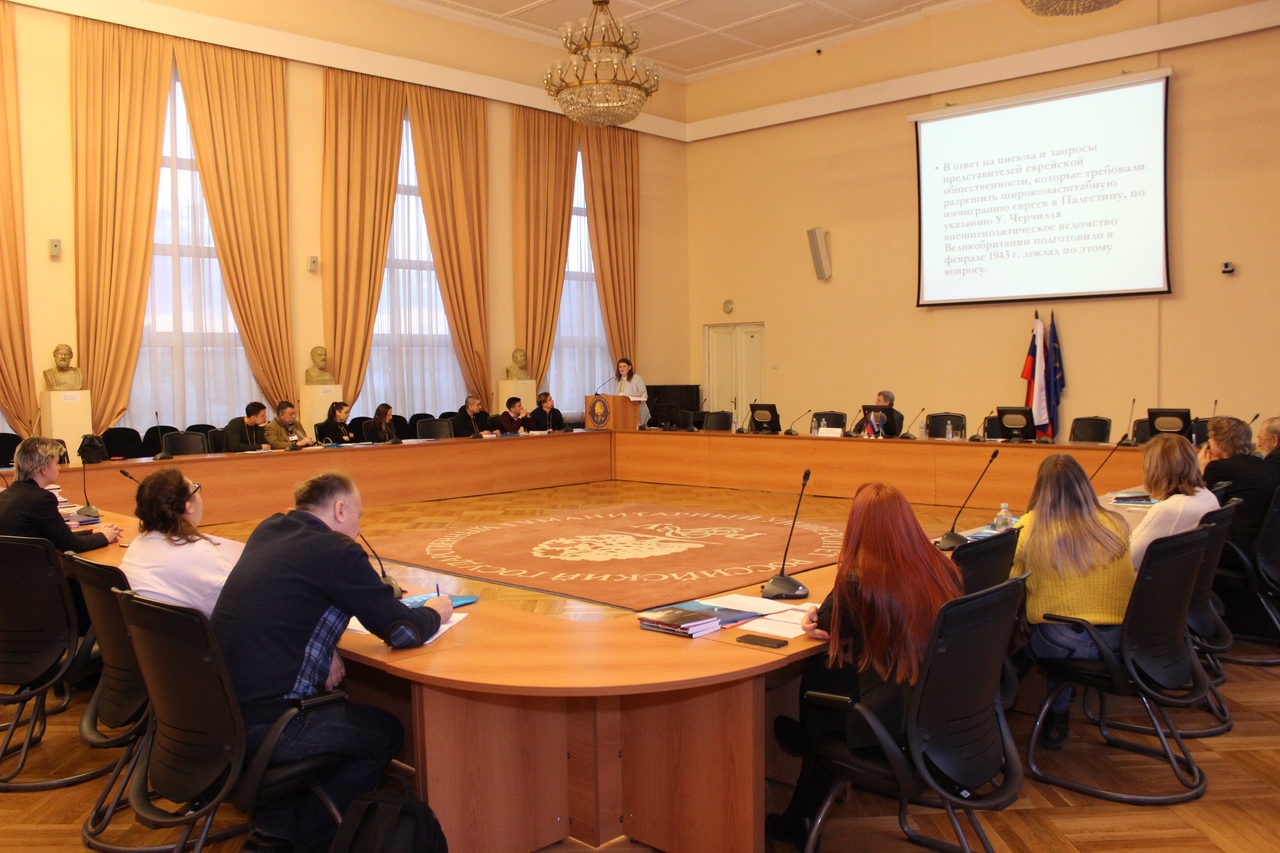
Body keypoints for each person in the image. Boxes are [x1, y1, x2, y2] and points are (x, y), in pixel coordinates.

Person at [210, 472, 451, 853]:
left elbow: (288, 605)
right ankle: (316, 838)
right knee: (385, 732)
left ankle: (275, 829)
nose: (359, 528)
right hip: (270, 725)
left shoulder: (268, 529)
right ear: (340, 510)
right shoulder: (337, 551)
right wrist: (437, 611)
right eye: (358, 515)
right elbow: (403, 632)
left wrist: (326, 646)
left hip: (219, 718)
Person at [766, 482, 963, 846]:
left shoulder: (858, 580)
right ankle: (806, 750)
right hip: (938, 713)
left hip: (894, 725)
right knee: (828, 675)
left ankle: (803, 796)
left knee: (820, 677)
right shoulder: (942, 567)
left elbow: (826, 624)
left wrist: (816, 611)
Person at [1013, 454, 1134, 750]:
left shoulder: (1029, 527)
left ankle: (1042, 708)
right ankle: (1054, 712)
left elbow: (1010, 585)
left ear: (1041, 489)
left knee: (1040, 636)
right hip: (1123, 642)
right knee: (1054, 633)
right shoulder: (1116, 524)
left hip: (1063, 644)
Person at [0, 437, 123, 633]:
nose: (59, 468)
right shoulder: (41, 499)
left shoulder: (7, 496)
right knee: (99, 593)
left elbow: (57, 535)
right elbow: (71, 545)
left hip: (14, 592)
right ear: (43, 469)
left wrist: (93, 532)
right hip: (43, 594)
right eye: (57, 462)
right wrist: (104, 537)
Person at [119, 468, 242, 616]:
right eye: (195, 487)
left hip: (150, 628)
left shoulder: (137, 545)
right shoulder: (197, 553)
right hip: (185, 630)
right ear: (188, 506)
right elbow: (242, 605)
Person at [1129, 434, 1219, 570]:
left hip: (1153, 580)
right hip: (1184, 577)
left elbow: (1128, 560)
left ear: (1155, 470)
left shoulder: (1170, 509)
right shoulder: (1207, 495)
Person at [1199, 416, 1280, 554]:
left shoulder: (1218, 468)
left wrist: (1202, 470)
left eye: (1211, 438)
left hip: (1236, 548)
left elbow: (1202, 507)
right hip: (1265, 548)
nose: (1209, 443)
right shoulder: (1263, 465)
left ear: (1221, 442)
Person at [614, 357, 649, 427]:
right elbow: (618, 397)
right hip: (623, 412)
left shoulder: (637, 378)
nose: (621, 368)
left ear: (629, 367)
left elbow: (644, 395)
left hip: (636, 411)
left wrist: (635, 400)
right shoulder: (618, 380)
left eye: (624, 366)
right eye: (620, 367)